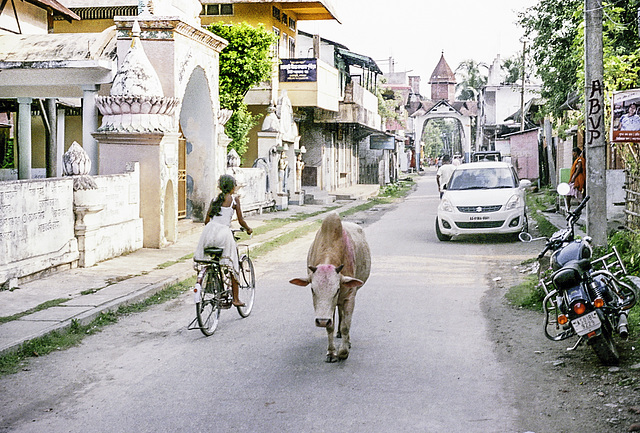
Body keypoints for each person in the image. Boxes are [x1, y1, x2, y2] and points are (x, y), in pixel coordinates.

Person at [195, 174, 253, 307]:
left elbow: (207, 220)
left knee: (213, 261)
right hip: (224, 235)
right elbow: (241, 220)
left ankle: (211, 283)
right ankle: (236, 299)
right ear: (233, 187)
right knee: (232, 266)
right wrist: (249, 229)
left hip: (208, 234)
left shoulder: (215, 199)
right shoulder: (234, 200)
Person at [565, 147, 585, 211]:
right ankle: (569, 205)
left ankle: (577, 207)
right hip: (576, 177)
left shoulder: (580, 160)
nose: (572, 154)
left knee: (576, 193)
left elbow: (578, 169)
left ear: (576, 152)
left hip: (578, 178)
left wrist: (573, 177)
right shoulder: (577, 160)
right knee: (570, 192)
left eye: (573, 152)